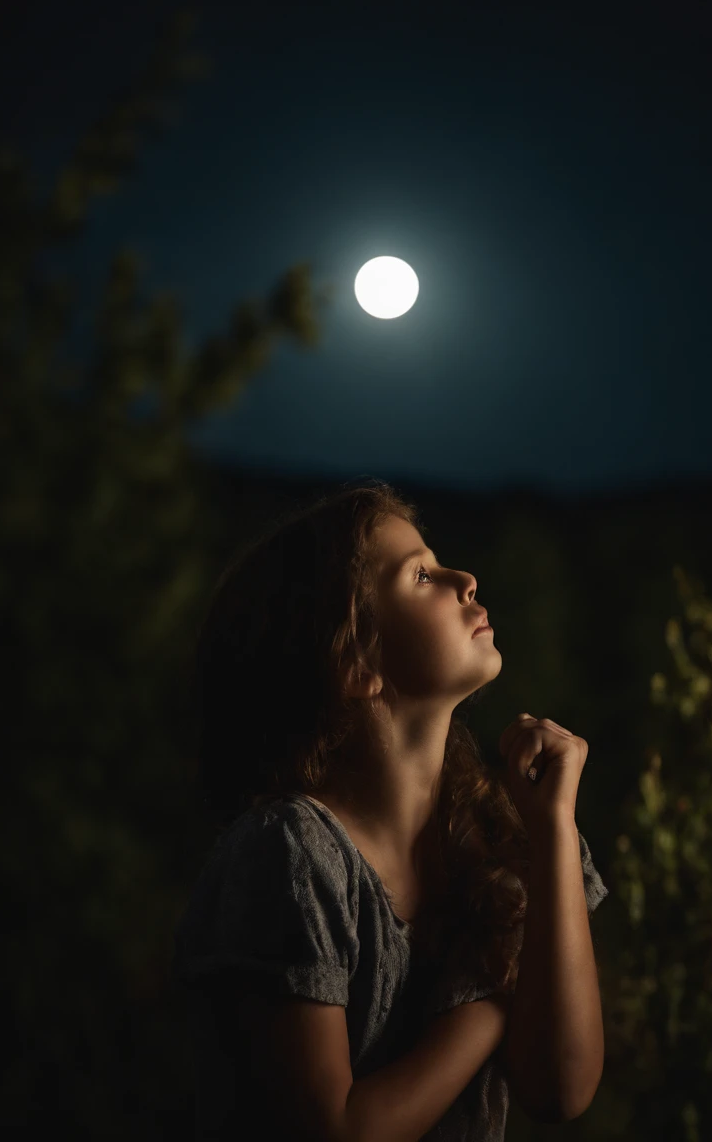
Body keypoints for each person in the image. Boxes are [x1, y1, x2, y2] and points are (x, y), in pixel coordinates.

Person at [172, 479, 608, 1140]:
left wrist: (552, 831)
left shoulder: (510, 838)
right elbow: (337, 1131)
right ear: (355, 662)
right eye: (423, 576)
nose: (466, 578)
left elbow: (561, 1089)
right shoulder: (291, 854)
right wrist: (491, 995)